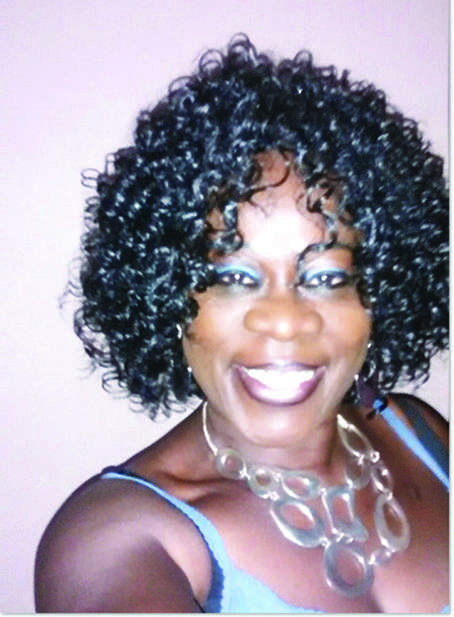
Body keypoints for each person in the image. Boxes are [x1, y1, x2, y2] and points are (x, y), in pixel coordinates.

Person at [34, 34, 449, 613]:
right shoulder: (119, 542)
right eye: (233, 277)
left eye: (327, 278)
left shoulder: (420, 435)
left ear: (378, 295)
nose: (284, 322)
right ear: (167, 294)